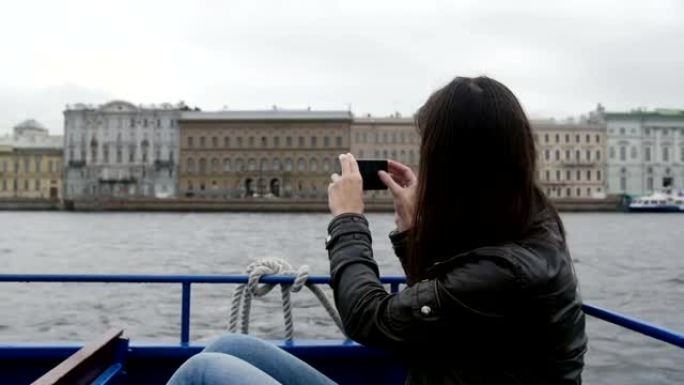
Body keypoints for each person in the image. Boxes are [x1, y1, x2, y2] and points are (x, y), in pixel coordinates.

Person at [167, 76, 587, 385]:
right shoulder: (525, 227)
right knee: (228, 347)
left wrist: (347, 220)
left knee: (202, 372)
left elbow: (370, 320)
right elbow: (442, 316)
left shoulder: (505, 272)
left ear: (455, 166)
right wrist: (412, 233)